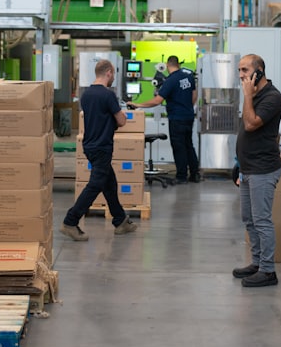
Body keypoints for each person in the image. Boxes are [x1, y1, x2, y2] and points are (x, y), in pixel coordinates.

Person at [61, 59, 137, 241]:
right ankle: (70, 222)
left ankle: (120, 221)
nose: (113, 78)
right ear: (109, 72)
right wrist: (122, 115)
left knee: (110, 184)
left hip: (90, 145)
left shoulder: (86, 95)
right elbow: (121, 121)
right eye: (113, 74)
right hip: (102, 147)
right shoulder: (108, 95)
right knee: (95, 185)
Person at [233, 54, 281, 287]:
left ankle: (268, 270)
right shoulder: (254, 95)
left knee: (262, 220)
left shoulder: (272, 97)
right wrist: (239, 164)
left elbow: (251, 123)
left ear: (259, 72)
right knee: (249, 219)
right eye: (240, 70)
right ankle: (257, 263)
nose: (241, 75)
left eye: (245, 70)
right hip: (248, 168)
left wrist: (247, 95)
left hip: (263, 169)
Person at [127, 55, 200, 184]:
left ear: (167, 65)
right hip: (188, 116)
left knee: (179, 147)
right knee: (189, 145)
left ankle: (181, 177)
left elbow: (158, 100)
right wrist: (188, 107)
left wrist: (138, 105)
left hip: (177, 118)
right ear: (178, 64)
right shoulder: (188, 74)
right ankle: (195, 175)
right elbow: (194, 95)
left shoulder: (171, 80)